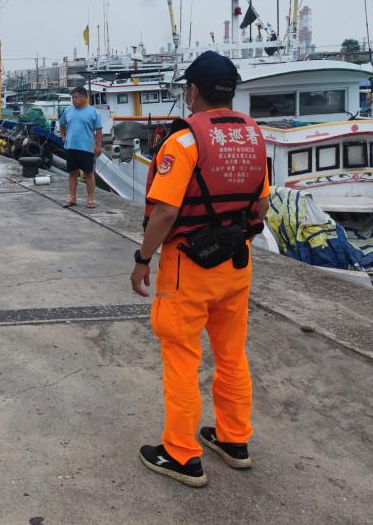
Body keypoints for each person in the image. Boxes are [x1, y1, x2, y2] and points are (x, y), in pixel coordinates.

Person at [130, 51, 270, 488]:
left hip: (187, 266)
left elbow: (166, 212)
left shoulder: (184, 141)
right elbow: (261, 204)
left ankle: (180, 453)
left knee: (182, 358)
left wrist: (142, 259)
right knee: (231, 355)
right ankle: (233, 439)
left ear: (192, 91)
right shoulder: (254, 136)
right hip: (236, 264)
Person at [58, 86, 103, 208]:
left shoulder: (93, 112)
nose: (73, 100)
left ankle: (90, 199)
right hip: (70, 146)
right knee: (72, 173)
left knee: (89, 173)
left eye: (76, 98)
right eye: (72, 98)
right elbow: (62, 124)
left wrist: (98, 146)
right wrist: (63, 136)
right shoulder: (68, 110)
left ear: (84, 98)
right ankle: (72, 199)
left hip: (86, 147)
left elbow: (98, 130)